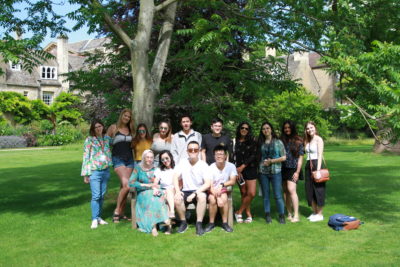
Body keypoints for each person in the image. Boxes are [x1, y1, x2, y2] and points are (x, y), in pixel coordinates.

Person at [173, 141, 211, 236]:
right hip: (185, 190)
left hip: (199, 190)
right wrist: (177, 191)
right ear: (187, 151)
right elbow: (175, 177)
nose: (193, 151)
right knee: (177, 199)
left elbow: (207, 183)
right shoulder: (183, 162)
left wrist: (195, 193)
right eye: (190, 150)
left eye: (195, 149)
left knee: (202, 197)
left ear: (198, 151)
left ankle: (199, 224)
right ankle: (183, 222)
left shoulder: (203, 165)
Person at [129, 150, 170, 236]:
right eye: (147, 157)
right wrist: (145, 185)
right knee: (152, 197)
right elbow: (131, 182)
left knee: (159, 196)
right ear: (143, 157)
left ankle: (163, 222)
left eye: (151, 157)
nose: (149, 159)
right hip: (143, 193)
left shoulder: (155, 168)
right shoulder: (138, 168)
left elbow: (160, 182)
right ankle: (154, 227)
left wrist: (156, 187)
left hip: (155, 190)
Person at [81, 120, 113, 229]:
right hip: (94, 171)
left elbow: (118, 142)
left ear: (103, 126)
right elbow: (86, 157)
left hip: (105, 170)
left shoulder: (107, 138)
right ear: (93, 129)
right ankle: (94, 219)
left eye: (100, 126)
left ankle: (99, 217)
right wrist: (85, 174)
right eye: (96, 127)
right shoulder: (89, 140)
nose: (98, 128)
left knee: (102, 196)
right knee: (96, 196)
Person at [107, 109, 135, 223]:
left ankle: (122, 213)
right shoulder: (113, 128)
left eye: (129, 116)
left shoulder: (131, 130)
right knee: (126, 185)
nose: (127, 118)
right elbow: (105, 143)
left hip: (129, 160)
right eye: (125, 115)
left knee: (124, 188)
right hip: (118, 159)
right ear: (121, 115)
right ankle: (117, 211)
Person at [258, 121, 287, 224]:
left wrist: (272, 161)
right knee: (266, 195)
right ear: (262, 131)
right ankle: (267, 214)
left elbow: (284, 157)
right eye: (264, 129)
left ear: (271, 129)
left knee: (277, 195)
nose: (266, 130)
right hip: (263, 172)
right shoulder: (260, 143)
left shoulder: (278, 142)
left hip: (276, 172)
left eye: (267, 128)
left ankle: (281, 215)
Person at [204, 145, 237, 233]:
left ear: (225, 156)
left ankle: (224, 223)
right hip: (212, 189)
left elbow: (233, 181)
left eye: (221, 154)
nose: (219, 156)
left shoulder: (231, 166)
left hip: (223, 188)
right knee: (212, 199)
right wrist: (217, 197)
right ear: (214, 156)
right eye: (217, 154)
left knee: (224, 198)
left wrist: (222, 185)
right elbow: (210, 185)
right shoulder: (211, 167)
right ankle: (211, 223)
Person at [233, 122, 258, 224]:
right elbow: (232, 157)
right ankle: (248, 214)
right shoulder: (235, 142)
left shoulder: (252, 141)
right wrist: (236, 170)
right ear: (239, 129)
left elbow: (254, 155)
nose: (244, 130)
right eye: (242, 128)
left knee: (251, 193)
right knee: (244, 192)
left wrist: (243, 166)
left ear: (249, 130)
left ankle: (238, 212)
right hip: (239, 171)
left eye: (246, 129)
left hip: (250, 169)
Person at [281, 120, 304, 223]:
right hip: (282, 168)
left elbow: (300, 158)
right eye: (285, 128)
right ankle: (289, 213)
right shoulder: (281, 140)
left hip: (293, 169)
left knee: (291, 190)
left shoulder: (299, 140)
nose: (287, 129)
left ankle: (296, 215)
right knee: (285, 191)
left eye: (289, 127)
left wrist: (297, 172)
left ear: (292, 128)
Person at [304, 121, 326, 222]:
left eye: (311, 127)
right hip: (308, 165)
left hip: (317, 164)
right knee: (309, 189)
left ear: (315, 128)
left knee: (319, 190)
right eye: (308, 128)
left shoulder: (319, 139)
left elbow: (320, 155)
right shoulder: (307, 140)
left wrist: (318, 171)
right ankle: (314, 212)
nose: (310, 130)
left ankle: (320, 214)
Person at [154, 150, 176, 219]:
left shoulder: (176, 168)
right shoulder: (159, 170)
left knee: (169, 190)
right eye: (162, 159)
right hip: (164, 191)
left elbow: (180, 182)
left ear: (171, 157)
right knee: (166, 195)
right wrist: (155, 189)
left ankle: (172, 212)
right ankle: (169, 225)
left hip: (174, 190)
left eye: (167, 158)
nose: (165, 161)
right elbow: (155, 182)